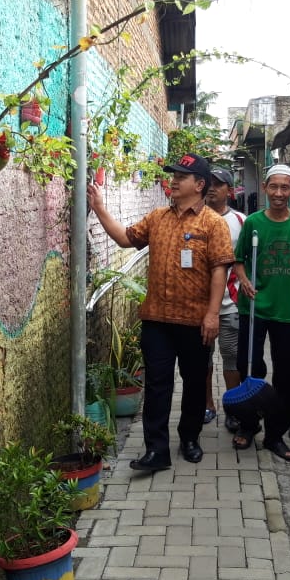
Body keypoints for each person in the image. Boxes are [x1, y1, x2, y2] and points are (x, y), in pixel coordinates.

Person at [87, 152, 233, 471]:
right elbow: (126, 239)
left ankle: (190, 437)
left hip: (195, 321)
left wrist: (212, 315)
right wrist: (98, 207)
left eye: (182, 176)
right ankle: (157, 450)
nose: (174, 180)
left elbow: (220, 270)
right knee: (157, 384)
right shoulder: (157, 218)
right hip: (157, 320)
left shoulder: (214, 223)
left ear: (200, 184)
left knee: (195, 383)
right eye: (173, 175)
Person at [232, 164, 290, 461]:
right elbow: (238, 260)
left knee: (287, 375)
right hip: (255, 308)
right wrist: (244, 279)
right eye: (273, 187)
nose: (278, 193)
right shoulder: (253, 223)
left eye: (285, 187)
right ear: (265, 187)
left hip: (288, 311)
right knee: (250, 369)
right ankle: (248, 425)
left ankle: (275, 436)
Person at [203, 168, 245, 429]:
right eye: (209, 183)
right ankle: (207, 405)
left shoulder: (242, 221)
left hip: (231, 305)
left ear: (229, 191)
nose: (212, 188)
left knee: (231, 357)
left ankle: (233, 407)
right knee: (202, 360)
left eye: (219, 185)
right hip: (200, 305)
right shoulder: (196, 218)